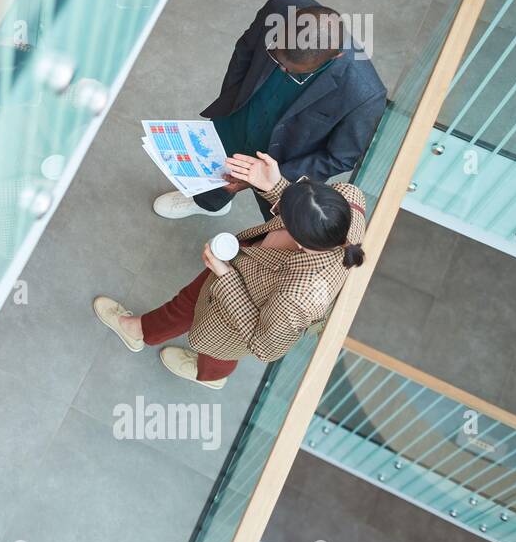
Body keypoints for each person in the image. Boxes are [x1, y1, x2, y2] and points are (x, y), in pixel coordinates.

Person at [94, 151, 366, 389]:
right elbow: (306, 207)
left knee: (220, 348)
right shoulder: (348, 197)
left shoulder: (298, 298)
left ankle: (209, 376)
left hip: (237, 310)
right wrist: (275, 185)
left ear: (300, 239)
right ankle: (141, 330)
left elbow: (265, 346)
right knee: (190, 302)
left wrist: (226, 277)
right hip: (239, 263)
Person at [153, 0, 386, 222]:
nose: (282, 69)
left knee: (275, 223)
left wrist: (266, 178)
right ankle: (207, 203)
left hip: (283, 161)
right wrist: (232, 97)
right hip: (238, 119)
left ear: (335, 57)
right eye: (277, 57)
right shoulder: (283, 5)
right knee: (215, 168)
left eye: (295, 73)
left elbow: (340, 158)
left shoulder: (365, 95)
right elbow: (245, 49)